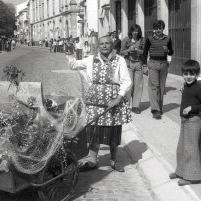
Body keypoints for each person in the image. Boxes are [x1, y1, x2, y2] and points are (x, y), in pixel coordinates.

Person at [68, 35, 132, 172]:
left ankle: (114, 160)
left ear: (112, 45)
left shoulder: (120, 60)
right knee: (93, 130)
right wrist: (68, 52)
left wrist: (118, 99)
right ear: (98, 46)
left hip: (113, 103)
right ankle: (92, 160)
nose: (104, 46)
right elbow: (74, 65)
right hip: (94, 102)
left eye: (107, 43)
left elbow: (127, 81)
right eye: (101, 43)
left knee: (113, 131)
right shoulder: (91, 59)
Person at [169, 60, 201, 186]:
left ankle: (192, 176)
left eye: (192, 74)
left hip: (194, 120)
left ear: (197, 74)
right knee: (181, 148)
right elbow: (188, 88)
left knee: (191, 149)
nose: (188, 76)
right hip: (185, 121)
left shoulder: (199, 87)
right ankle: (181, 172)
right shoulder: (187, 85)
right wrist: (184, 85)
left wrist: (192, 108)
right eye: (186, 74)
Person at [142, 20, 173, 119]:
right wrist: (144, 65)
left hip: (164, 64)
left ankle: (159, 107)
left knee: (161, 87)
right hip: (153, 64)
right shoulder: (150, 38)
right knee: (154, 87)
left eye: (160, 28)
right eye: (156, 28)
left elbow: (171, 52)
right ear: (153, 29)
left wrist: (167, 50)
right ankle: (155, 110)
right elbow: (145, 52)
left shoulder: (168, 38)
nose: (158, 30)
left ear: (162, 28)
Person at [120, 24, 145, 114]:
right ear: (131, 31)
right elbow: (121, 51)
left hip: (138, 64)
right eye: (134, 31)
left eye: (137, 31)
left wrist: (137, 50)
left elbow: (144, 52)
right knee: (129, 85)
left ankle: (135, 106)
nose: (135, 33)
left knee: (138, 86)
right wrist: (128, 50)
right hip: (129, 64)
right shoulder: (126, 40)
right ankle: (126, 105)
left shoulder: (142, 40)